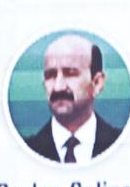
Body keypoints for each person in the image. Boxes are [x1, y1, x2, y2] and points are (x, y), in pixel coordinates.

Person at [25, 33, 122, 162]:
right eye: (51, 75)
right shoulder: (25, 151)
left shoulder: (123, 145)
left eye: (70, 74)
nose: (58, 87)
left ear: (97, 83)